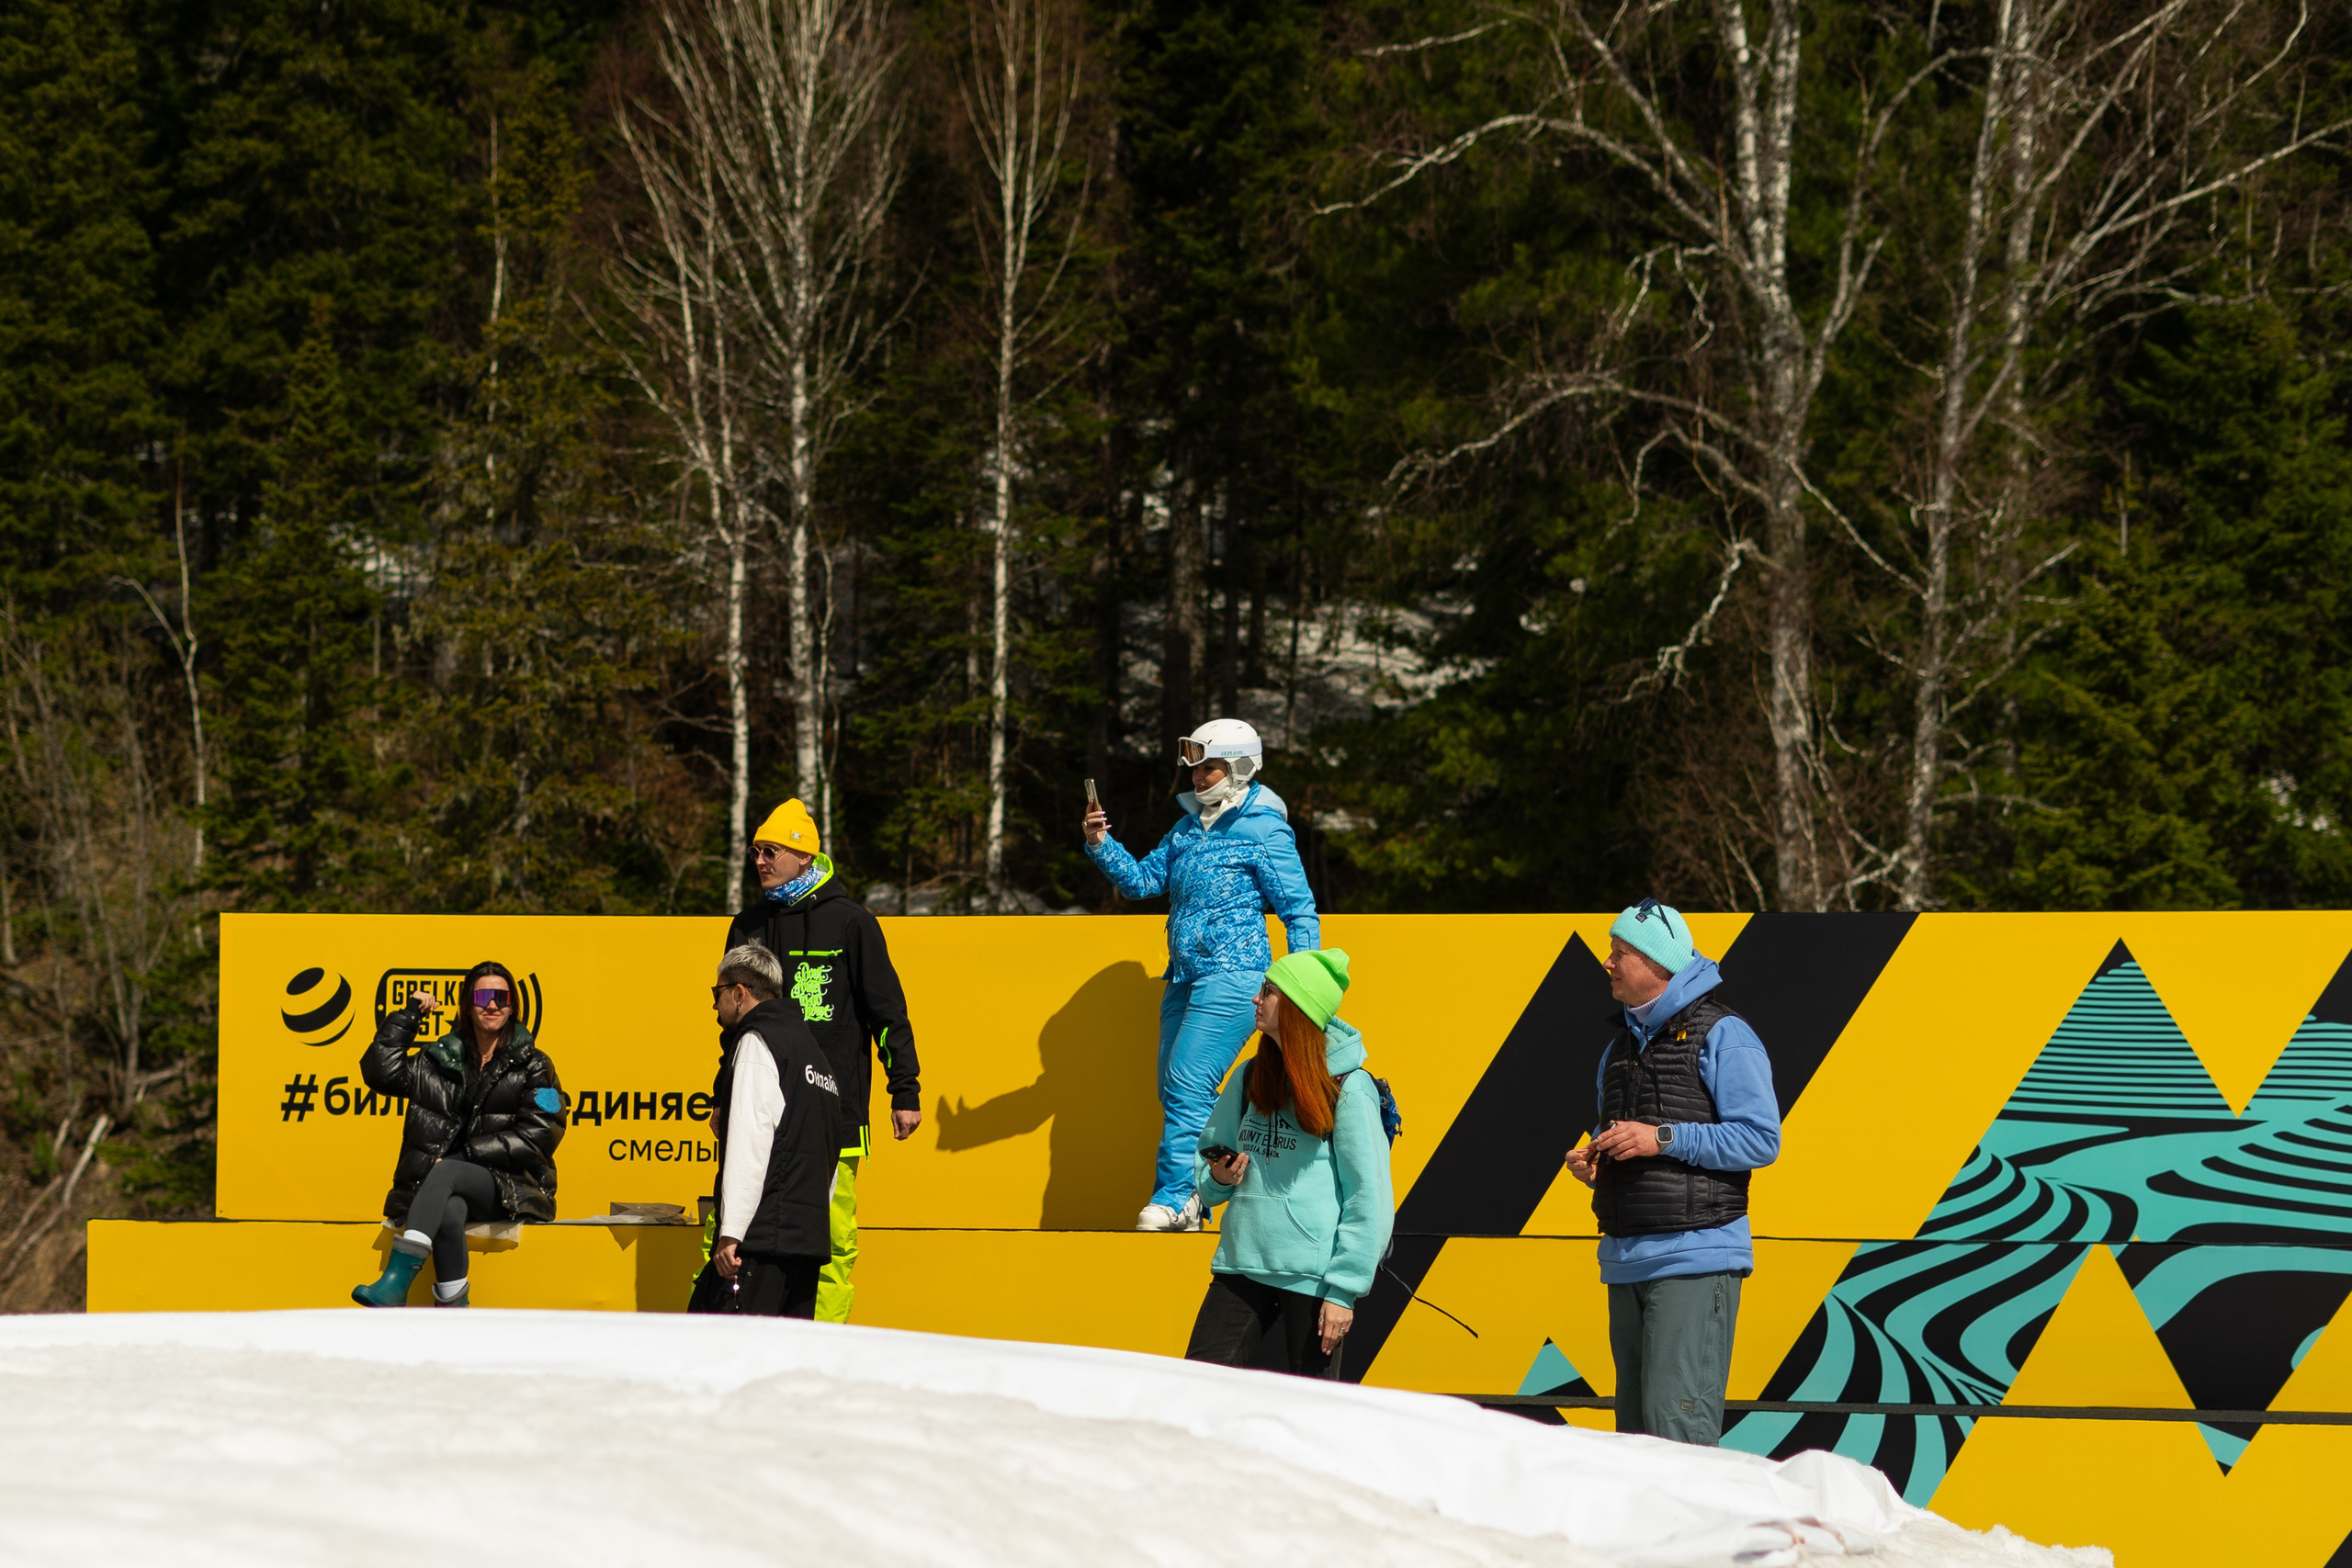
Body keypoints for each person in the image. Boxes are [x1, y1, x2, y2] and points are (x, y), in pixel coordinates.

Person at [1083, 718, 1320, 1232]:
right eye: (1192, 765)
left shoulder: (1264, 826)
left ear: (1238, 767)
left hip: (1236, 975)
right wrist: (1101, 843)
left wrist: (1304, 992)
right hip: (1185, 978)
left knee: (1188, 1084)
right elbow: (1144, 881)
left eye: (1208, 766)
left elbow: (1300, 912)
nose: (1196, 775)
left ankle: (1176, 1197)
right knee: (1176, 1090)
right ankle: (1206, 1192)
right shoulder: (1189, 827)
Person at [1563, 900, 1781, 1445]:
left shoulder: (1725, 1033)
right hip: (1624, 1259)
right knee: (1637, 1444)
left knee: (1677, 1436)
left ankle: (1708, 1535)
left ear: (1659, 964)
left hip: (1695, 1256)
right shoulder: (1616, 1047)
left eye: (1620, 953)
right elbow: (1623, 1132)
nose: (1607, 963)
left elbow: (1761, 1139)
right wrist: (1596, 1156)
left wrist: (1660, 1137)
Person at [724, 797, 918, 1323]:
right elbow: (730, 1024)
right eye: (754, 851)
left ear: (805, 856)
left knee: (831, 1243)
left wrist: (906, 1089)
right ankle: (740, 1340)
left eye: (771, 851)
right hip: (761, 1107)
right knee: (735, 1230)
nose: (760, 861)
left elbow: (886, 1011)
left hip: (836, 1114)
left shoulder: (852, 922)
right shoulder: (748, 924)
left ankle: (822, 1347)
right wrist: (724, 1096)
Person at [1184, 949, 1391, 1378]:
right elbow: (1209, 1164)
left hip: (1314, 1280)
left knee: (1312, 1412)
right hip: (1241, 1264)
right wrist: (1217, 1178)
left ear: (1297, 1007)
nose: (1256, 1000)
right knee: (1195, 1388)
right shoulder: (1248, 1076)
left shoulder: (1350, 1089)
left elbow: (1368, 1198)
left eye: (1269, 992)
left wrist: (1343, 1292)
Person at [352, 962, 567, 1308]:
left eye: (502, 997)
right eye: (483, 996)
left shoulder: (534, 1064)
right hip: (448, 1184)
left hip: (512, 1185)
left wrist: (466, 1155)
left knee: (447, 1170)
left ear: (513, 1005)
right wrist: (408, 1016)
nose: (492, 1005)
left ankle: (396, 1280)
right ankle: (454, 1308)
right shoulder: (438, 1058)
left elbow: (539, 1134)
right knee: (450, 1210)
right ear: (468, 1003)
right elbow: (381, 1073)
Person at [691, 944, 845, 1318]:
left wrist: (732, 1231)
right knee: (783, 1362)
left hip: (759, 1241)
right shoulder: (813, 1052)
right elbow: (830, 1153)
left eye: (718, 993)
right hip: (806, 1243)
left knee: (714, 1348)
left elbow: (750, 1143)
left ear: (740, 993)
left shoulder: (758, 1042)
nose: (715, 1006)